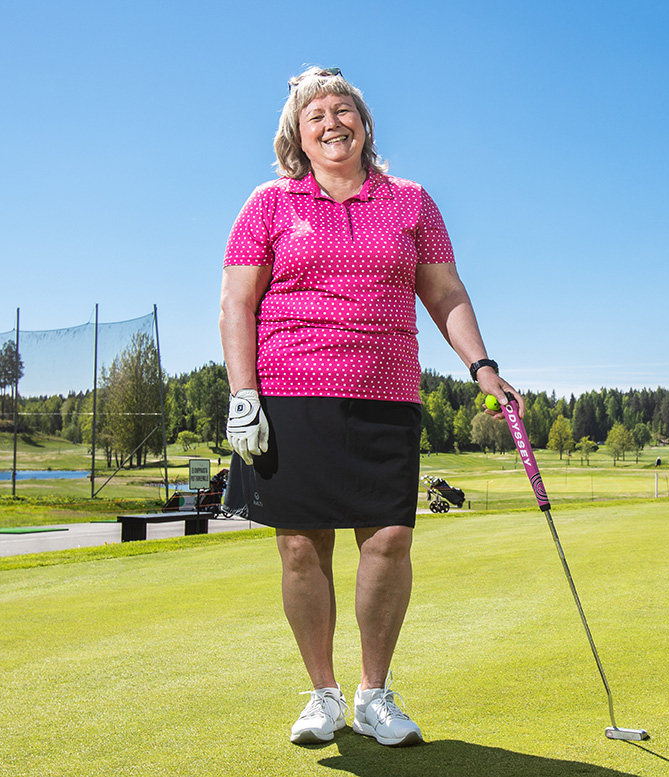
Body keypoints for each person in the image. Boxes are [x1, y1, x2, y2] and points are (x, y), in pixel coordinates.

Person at [219, 67, 520, 747]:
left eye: (343, 109)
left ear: (364, 123)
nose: (332, 122)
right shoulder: (269, 204)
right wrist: (243, 394)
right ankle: (322, 694)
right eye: (316, 113)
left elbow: (444, 291)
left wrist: (482, 366)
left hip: (384, 395)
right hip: (290, 393)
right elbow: (236, 302)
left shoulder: (411, 201)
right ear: (297, 134)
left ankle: (374, 693)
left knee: (388, 538)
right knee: (301, 547)